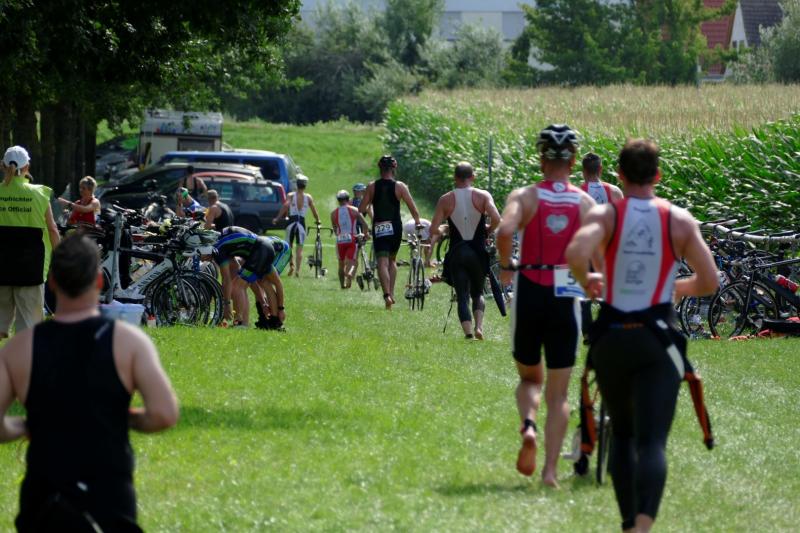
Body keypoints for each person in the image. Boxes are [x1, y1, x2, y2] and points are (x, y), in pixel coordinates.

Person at [565, 139, 718, 533]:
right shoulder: (678, 220)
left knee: (623, 434)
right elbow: (709, 281)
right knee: (651, 442)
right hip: (656, 339)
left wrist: (589, 280)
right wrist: (673, 287)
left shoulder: (606, 215)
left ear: (619, 175)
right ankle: (643, 527)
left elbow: (576, 252)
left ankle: (628, 522)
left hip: (612, 338)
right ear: (658, 175)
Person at [0, 234, 178, 531]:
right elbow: (164, 414)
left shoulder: (19, 348)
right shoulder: (129, 342)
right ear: (98, 281)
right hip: (108, 499)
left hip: (44, 502)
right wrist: (123, 416)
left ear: (52, 282)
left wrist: (27, 425)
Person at [496, 125, 595, 487]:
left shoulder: (524, 196)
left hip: (530, 288)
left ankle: (528, 426)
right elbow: (599, 249)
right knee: (558, 393)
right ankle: (550, 472)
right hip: (565, 292)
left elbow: (504, 231)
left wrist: (506, 266)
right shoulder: (584, 203)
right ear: (573, 160)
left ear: (542, 160)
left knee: (529, 378)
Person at [430, 162, 501, 339]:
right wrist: (488, 230)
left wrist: (444, 229)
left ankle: (468, 334)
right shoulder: (483, 196)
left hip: (457, 253)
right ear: (473, 177)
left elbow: (433, 229)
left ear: (455, 178)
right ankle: (479, 327)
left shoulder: (445, 199)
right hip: (477, 252)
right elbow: (497, 218)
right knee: (477, 293)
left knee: (462, 296)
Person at [0, 146, 61, 339]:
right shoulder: (40, 194)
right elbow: (52, 229)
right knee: (28, 330)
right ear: (27, 167)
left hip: (1, 268)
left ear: (2, 166)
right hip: (31, 269)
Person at [358, 155, 422, 309]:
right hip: (395, 227)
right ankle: (391, 294)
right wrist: (418, 222)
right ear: (394, 169)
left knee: (382, 261)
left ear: (380, 169)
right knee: (392, 260)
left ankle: (386, 294)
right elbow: (412, 207)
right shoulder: (400, 186)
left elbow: (360, 210)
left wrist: (364, 226)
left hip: (379, 226)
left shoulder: (372, 186)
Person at [578, 153, 623, 336]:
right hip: (608, 248)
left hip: (586, 248)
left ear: (583, 171)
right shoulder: (615, 191)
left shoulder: (578, 192)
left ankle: (588, 332)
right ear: (601, 169)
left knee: (583, 291)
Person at [212, 226, 287, 330]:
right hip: (263, 249)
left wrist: (281, 308)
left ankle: (274, 322)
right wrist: (263, 303)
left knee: (261, 283)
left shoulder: (222, 251)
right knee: (247, 283)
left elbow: (278, 283)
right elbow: (251, 283)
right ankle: (252, 322)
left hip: (279, 252)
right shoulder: (238, 254)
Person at [272, 177, 320, 277]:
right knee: (299, 248)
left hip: (291, 222)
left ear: (296, 185)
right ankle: (297, 270)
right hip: (301, 224)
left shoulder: (291, 195)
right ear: (305, 186)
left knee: (289, 246)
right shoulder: (308, 197)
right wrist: (318, 220)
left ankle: (291, 265)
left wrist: (277, 218)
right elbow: (314, 210)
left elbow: (285, 206)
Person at [331, 190, 370, 289]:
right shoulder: (354, 210)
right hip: (352, 238)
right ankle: (350, 273)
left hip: (340, 239)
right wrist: (365, 234)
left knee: (341, 264)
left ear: (338, 200)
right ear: (348, 199)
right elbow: (365, 224)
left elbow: (335, 229)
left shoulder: (333, 213)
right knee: (353, 261)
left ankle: (342, 285)